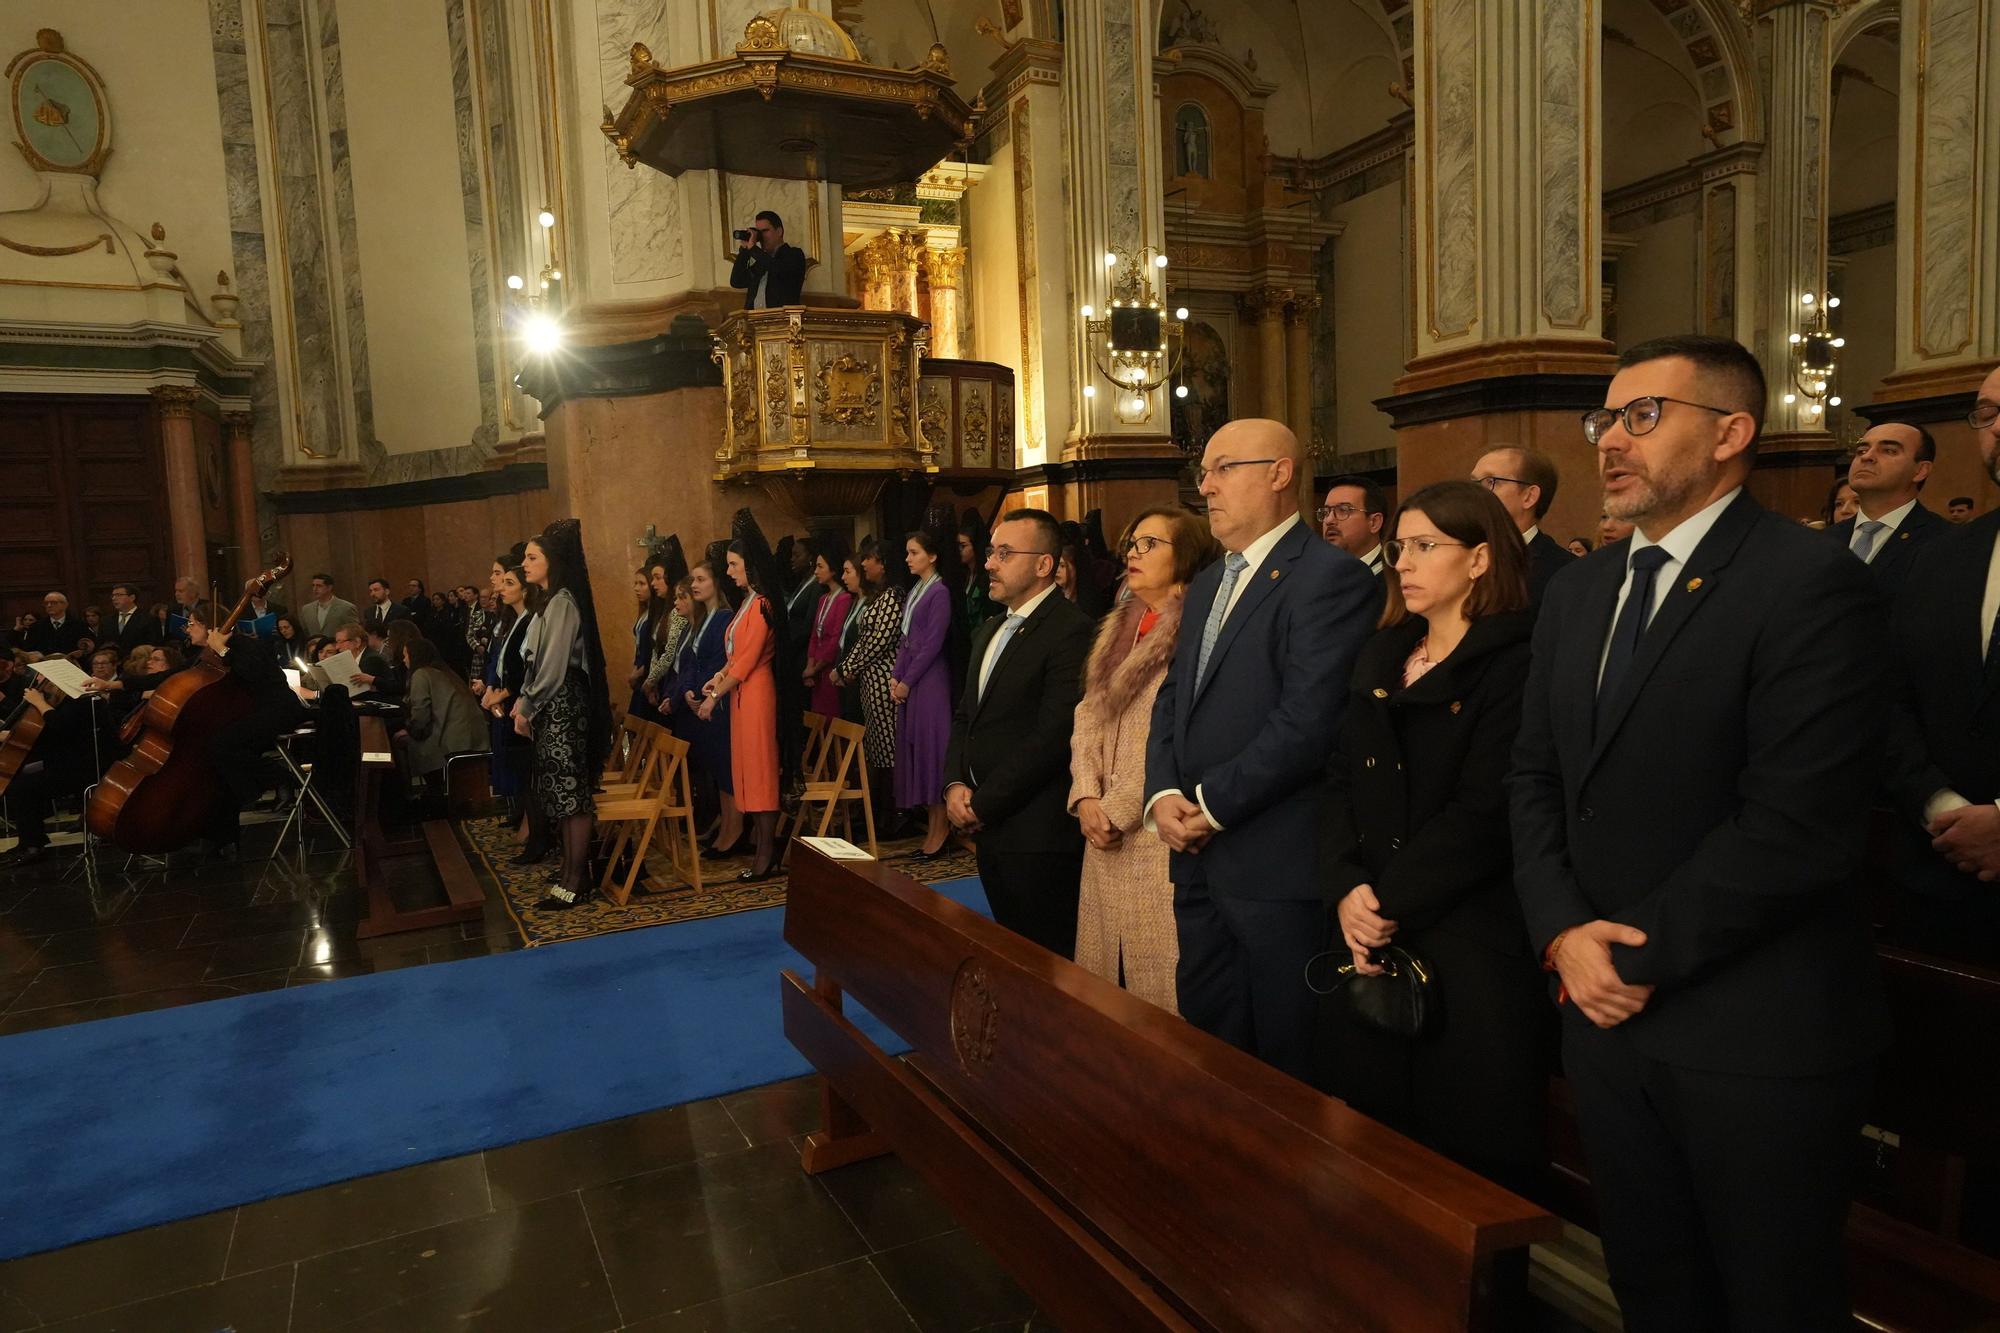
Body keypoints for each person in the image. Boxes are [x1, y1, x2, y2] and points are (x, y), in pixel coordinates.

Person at [1510, 333, 1889, 1332]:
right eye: (1605, 419)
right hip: (1600, 1016)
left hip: (1748, 1031)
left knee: (1771, 1302)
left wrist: (1625, 954)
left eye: (1643, 416)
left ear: (1730, 434)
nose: (1609, 442)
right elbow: (1534, 777)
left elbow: (1794, 826)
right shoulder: (1580, 590)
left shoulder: (1803, 582)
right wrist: (1559, 932)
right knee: (1653, 1291)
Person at [1320, 480, 1547, 1198]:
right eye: (1399, 548)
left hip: (1467, 938)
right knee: (1379, 1147)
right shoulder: (1384, 653)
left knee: (1465, 1162)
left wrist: (1383, 900)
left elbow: (1484, 813)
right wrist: (1346, 885)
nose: (1404, 563)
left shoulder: (1515, 661)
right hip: (1371, 927)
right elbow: (1337, 784)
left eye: (1425, 546)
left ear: (1480, 558)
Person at [1144, 418, 1381, 1079]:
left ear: (1280, 472)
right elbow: (1174, 701)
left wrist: (1209, 803)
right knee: (1211, 1049)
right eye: (1203, 474)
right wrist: (1162, 793)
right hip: (1196, 861)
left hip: (1274, 867)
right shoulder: (1212, 581)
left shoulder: (1329, 578)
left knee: (1287, 1061)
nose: (1206, 488)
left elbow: (1307, 720)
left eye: (1223, 469)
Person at [1070, 506, 1215, 1009]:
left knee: (1159, 986)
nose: (1133, 552)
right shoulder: (1120, 624)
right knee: (1104, 987)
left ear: (1187, 556)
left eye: (1150, 544)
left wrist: (1116, 809)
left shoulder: (1196, 628)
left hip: (1152, 826)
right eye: (1133, 542)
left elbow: (1172, 732)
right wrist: (1085, 793)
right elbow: (1088, 714)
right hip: (1100, 821)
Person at [1881, 369, 2000, 967]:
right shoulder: (1944, 557)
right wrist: (1940, 806)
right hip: (1935, 883)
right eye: (1987, 413)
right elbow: (1891, 701)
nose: (1999, 427)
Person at [943, 509, 1095, 955]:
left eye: (1004, 554)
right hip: (991, 826)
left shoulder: (1072, 630)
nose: (989, 563)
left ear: (1043, 565)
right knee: (1012, 952)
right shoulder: (991, 627)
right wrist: (954, 784)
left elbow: (1053, 735)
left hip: (1037, 832)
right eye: (991, 552)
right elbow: (965, 716)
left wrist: (983, 803)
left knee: (1048, 959)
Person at [513, 520, 614, 909]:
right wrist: (527, 702)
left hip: (564, 705)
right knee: (562, 793)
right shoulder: (548, 601)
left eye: (532, 557)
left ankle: (577, 877)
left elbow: (553, 667)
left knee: (573, 795)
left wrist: (528, 705)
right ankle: (571, 872)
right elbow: (534, 663)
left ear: (552, 561)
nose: (524, 563)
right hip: (552, 706)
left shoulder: (564, 602)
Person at [701, 539, 783, 881]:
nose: (729, 571)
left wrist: (714, 696)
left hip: (757, 693)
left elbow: (749, 660)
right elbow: (735, 655)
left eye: (735, 564)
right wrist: (717, 677)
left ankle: (766, 851)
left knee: (761, 771)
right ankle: (761, 847)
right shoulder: (747, 602)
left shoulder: (763, 603)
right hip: (741, 693)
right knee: (748, 769)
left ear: (750, 565)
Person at [831, 540, 903, 832]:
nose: (864, 565)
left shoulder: (893, 596)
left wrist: (845, 668)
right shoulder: (878, 595)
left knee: (888, 748)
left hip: (885, 682)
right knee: (877, 749)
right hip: (869, 683)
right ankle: (879, 813)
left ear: (883, 563)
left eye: (870, 559)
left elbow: (876, 642)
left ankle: (894, 814)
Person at [1828, 422, 1948, 596]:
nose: (1867, 457)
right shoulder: (1825, 540)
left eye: (1889, 450)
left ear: (1920, 470)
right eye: (1861, 450)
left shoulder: (1943, 541)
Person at [893, 530, 957, 858]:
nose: (908, 559)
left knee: (934, 754)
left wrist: (907, 680)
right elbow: (906, 638)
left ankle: (941, 829)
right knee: (920, 751)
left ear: (931, 556)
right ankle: (933, 827)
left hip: (931, 681)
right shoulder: (917, 590)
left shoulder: (940, 592)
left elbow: (932, 644)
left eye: (914, 552)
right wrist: (895, 676)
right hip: (914, 680)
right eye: (907, 552)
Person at [676, 560, 738, 851]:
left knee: (726, 768)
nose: (695, 586)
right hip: (700, 700)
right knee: (715, 767)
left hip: (719, 702)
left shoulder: (725, 617)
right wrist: (688, 689)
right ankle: (725, 826)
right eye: (693, 581)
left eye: (700, 580)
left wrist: (704, 692)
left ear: (716, 584)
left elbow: (721, 662)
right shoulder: (702, 619)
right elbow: (689, 660)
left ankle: (733, 830)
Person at [479, 560, 537, 849]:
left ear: (526, 591)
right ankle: (524, 818)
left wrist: (502, 694)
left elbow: (526, 668)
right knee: (515, 766)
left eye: (509, 582)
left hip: (519, 703)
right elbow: (502, 661)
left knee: (526, 769)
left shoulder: (529, 620)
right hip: (507, 700)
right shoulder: (514, 620)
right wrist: (491, 690)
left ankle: (533, 827)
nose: (500, 587)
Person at [1470, 446, 1575, 604]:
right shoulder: (1462, 558)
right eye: (1473, 484)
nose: (1474, 494)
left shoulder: (1563, 572)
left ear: (1529, 496)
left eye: (1490, 482)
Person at [394, 638, 489, 804]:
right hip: (475, 735)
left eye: (406, 655)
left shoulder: (421, 674)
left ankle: (420, 796)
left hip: (454, 739)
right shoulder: (447, 671)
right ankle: (432, 793)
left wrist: (409, 730)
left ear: (415, 655)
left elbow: (421, 718)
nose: (404, 660)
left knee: (401, 741)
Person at [802, 538, 853, 719]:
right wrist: (809, 667)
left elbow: (835, 638)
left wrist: (814, 669)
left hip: (830, 669)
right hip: (817, 672)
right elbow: (815, 636)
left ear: (833, 569)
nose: (815, 571)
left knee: (832, 719)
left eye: (820, 567)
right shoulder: (824, 598)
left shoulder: (844, 598)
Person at [728, 209, 807, 309]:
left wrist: (753, 249)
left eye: (765, 231)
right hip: (755, 321)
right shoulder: (760, 260)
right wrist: (745, 250)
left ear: (779, 231)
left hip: (781, 320)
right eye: (759, 233)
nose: (761, 237)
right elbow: (737, 281)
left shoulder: (794, 254)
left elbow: (778, 269)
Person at [1317, 474, 1388, 575]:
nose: (1329, 520)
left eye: (1343, 510)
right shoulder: (1316, 575)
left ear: (1374, 522)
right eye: (1326, 512)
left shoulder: (1395, 579)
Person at [22, 592, 84, 659]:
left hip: (71, 664)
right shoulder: (36, 627)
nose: (49, 605)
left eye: (54, 602)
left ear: (65, 605)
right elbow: (28, 650)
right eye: (46, 603)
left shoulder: (79, 625)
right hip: (45, 665)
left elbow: (86, 648)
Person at [296, 573, 357, 638]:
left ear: (329, 587)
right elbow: (305, 632)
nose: (315, 589)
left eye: (319, 586)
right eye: (313, 585)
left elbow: (354, 632)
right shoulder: (306, 609)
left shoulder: (346, 608)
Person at [102, 584, 157, 656]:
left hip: (138, 662)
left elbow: (153, 645)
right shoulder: (106, 620)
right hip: (112, 663)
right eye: (113, 595)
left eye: (118, 595)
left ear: (132, 598)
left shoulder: (149, 619)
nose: (114, 598)